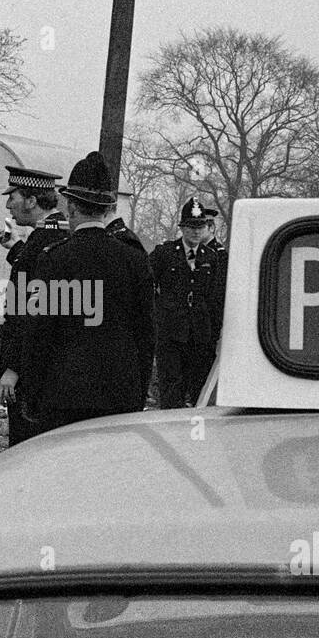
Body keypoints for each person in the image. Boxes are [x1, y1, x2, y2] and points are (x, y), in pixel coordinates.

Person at [20, 151, 153, 431]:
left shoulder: (53, 259)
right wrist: (137, 395)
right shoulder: (135, 259)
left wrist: (31, 395)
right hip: (120, 395)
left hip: (64, 395)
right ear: (106, 209)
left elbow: (39, 334)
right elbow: (145, 334)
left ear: (70, 206)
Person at [0, 166, 66, 445]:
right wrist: (15, 249)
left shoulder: (45, 240)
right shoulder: (53, 232)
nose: (8, 204)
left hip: (33, 372)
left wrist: (13, 368)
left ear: (32, 201)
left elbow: (31, 313)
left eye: (14, 197)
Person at [150, 197, 224, 408]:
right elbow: (147, 284)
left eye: (200, 227)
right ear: (182, 228)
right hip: (171, 336)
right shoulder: (164, 254)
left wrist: (213, 334)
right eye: (191, 227)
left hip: (200, 338)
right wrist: (160, 313)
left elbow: (215, 299)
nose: (196, 232)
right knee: (172, 394)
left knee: (200, 394)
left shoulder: (211, 257)